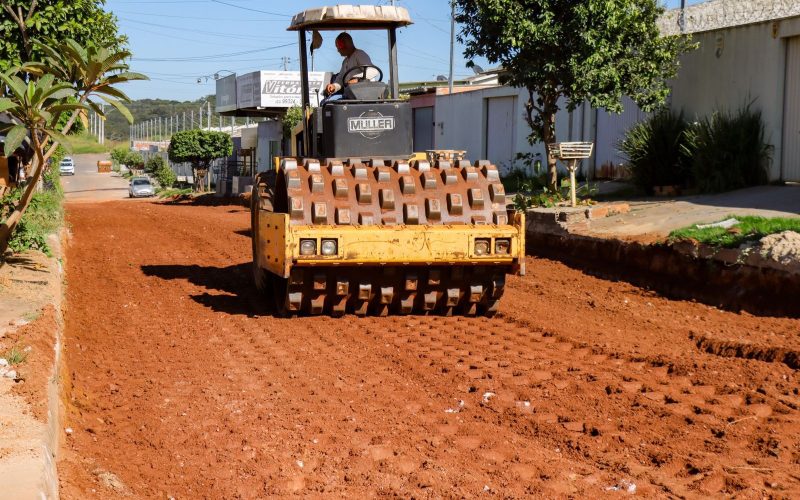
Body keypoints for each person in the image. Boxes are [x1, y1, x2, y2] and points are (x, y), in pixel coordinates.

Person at [323, 32, 377, 100]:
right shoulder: (345, 61)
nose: (338, 50)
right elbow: (340, 79)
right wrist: (334, 86)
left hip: (362, 95)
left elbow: (373, 70)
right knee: (327, 101)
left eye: (338, 46)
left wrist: (358, 79)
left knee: (330, 102)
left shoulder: (360, 54)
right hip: (350, 94)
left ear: (345, 44)